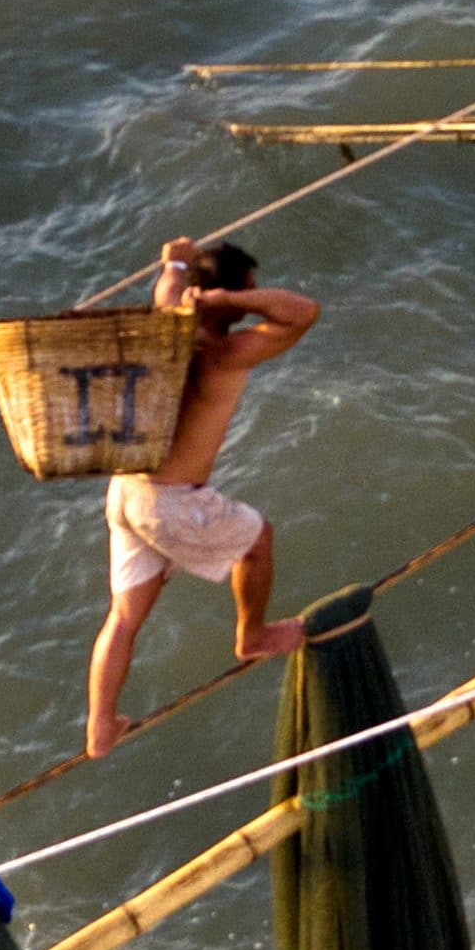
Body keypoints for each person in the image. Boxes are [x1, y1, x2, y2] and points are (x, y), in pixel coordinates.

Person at [85, 236, 321, 758]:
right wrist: (229, 303)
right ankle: (252, 635)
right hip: (169, 501)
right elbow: (304, 313)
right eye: (248, 291)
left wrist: (175, 258)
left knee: (123, 617)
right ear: (230, 296)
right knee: (259, 539)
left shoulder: (166, 326)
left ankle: (100, 728)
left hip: (126, 491)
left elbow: (168, 282)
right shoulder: (225, 353)